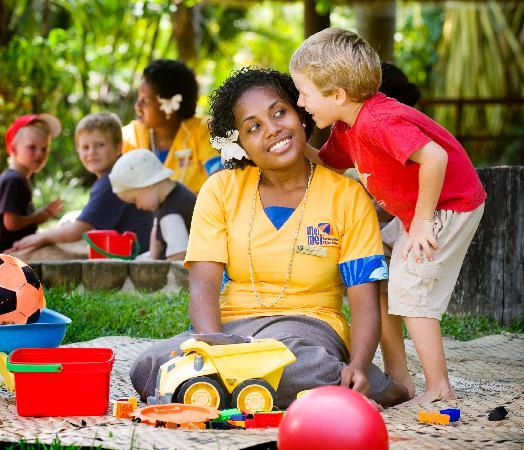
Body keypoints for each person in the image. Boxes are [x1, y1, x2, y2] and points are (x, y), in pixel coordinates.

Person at [129, 67, 410, 409]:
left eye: (279, 112)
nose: (273, 129)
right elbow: (203, 286)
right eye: (253, 127)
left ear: (300, 113)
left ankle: (226, 388)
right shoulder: (219, 190)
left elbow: (365, 301)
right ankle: (252, 385)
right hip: (228, 330)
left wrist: (360, 366)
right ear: (240, 144)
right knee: (147, 366)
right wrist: (216, 346)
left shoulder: (347, 196)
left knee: (305, 368)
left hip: (307, 332)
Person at [290, 28, 487, 404]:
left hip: (449, 205)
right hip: (419, 211)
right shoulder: (346, 126)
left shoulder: (378, 121)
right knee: (382, 277)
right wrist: (293, 141)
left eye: (304, 92)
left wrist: (425, 222)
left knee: (410, 292)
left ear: (336, 95)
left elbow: (435, 157)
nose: (300, 102)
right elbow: (327, 163)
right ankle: (403, 378)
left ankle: (440, 389)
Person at [8, 112, 153, 254]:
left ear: (118, 146)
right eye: (85, 147)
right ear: (78, 150)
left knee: (46, 248)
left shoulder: (112, 181)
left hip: (132, 254)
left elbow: (77, 231)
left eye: (100, 145)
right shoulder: (116, 175)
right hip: (132, 248)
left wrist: (42, 236)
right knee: (64, 228)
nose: (91, 152)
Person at [122, 59, 221, 193]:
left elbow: (222, 179)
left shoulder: (203, 130)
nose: (137, 106)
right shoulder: (131, 136)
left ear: (171, 105)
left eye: (145, 100)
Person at [109, 149, 196, 261]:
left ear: (147, 184)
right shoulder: (171, 193)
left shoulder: (171, 213)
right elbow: (156, 230)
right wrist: (152, 258)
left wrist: (161, 274)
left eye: (135, 200)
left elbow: (178, 255)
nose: (138, 206)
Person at [0, 114, 63, 252]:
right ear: (13, 149)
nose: (40, 154)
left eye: (44, 148)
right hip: (8, 257)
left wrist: (44, 213)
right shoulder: (14, 180)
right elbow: (11, 223)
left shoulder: (19, 178)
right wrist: (39, 216)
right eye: (32, 147)